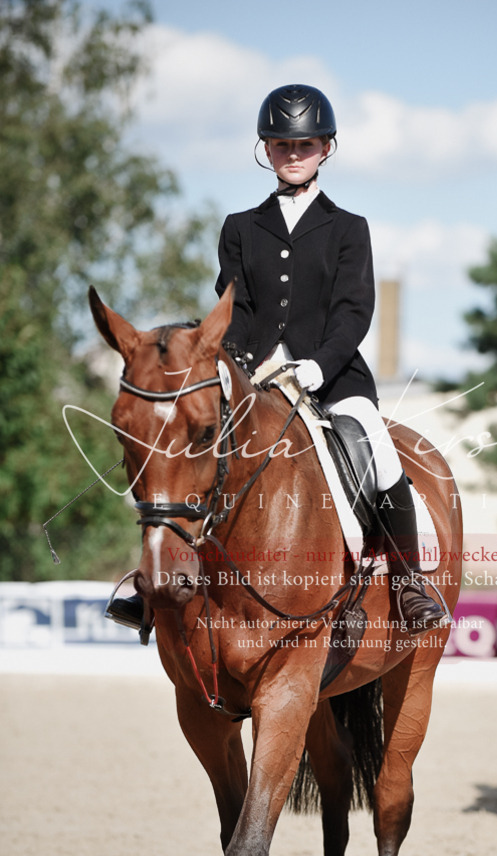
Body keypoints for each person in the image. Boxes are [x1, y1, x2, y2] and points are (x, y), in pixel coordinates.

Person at [108, 84, 444, 635]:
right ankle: (152, 581)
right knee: (179, 454)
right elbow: (232, 308)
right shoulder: (241, 227)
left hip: (334, 379)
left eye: (305, 143)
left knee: (378, 454)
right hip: (256, 380)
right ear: (266, 148)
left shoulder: (348, 228)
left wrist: (318, 364)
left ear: (326, 148)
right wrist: (238, 364)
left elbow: (355, 311)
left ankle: (408, 584)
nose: (293, 153)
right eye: (282, 143)